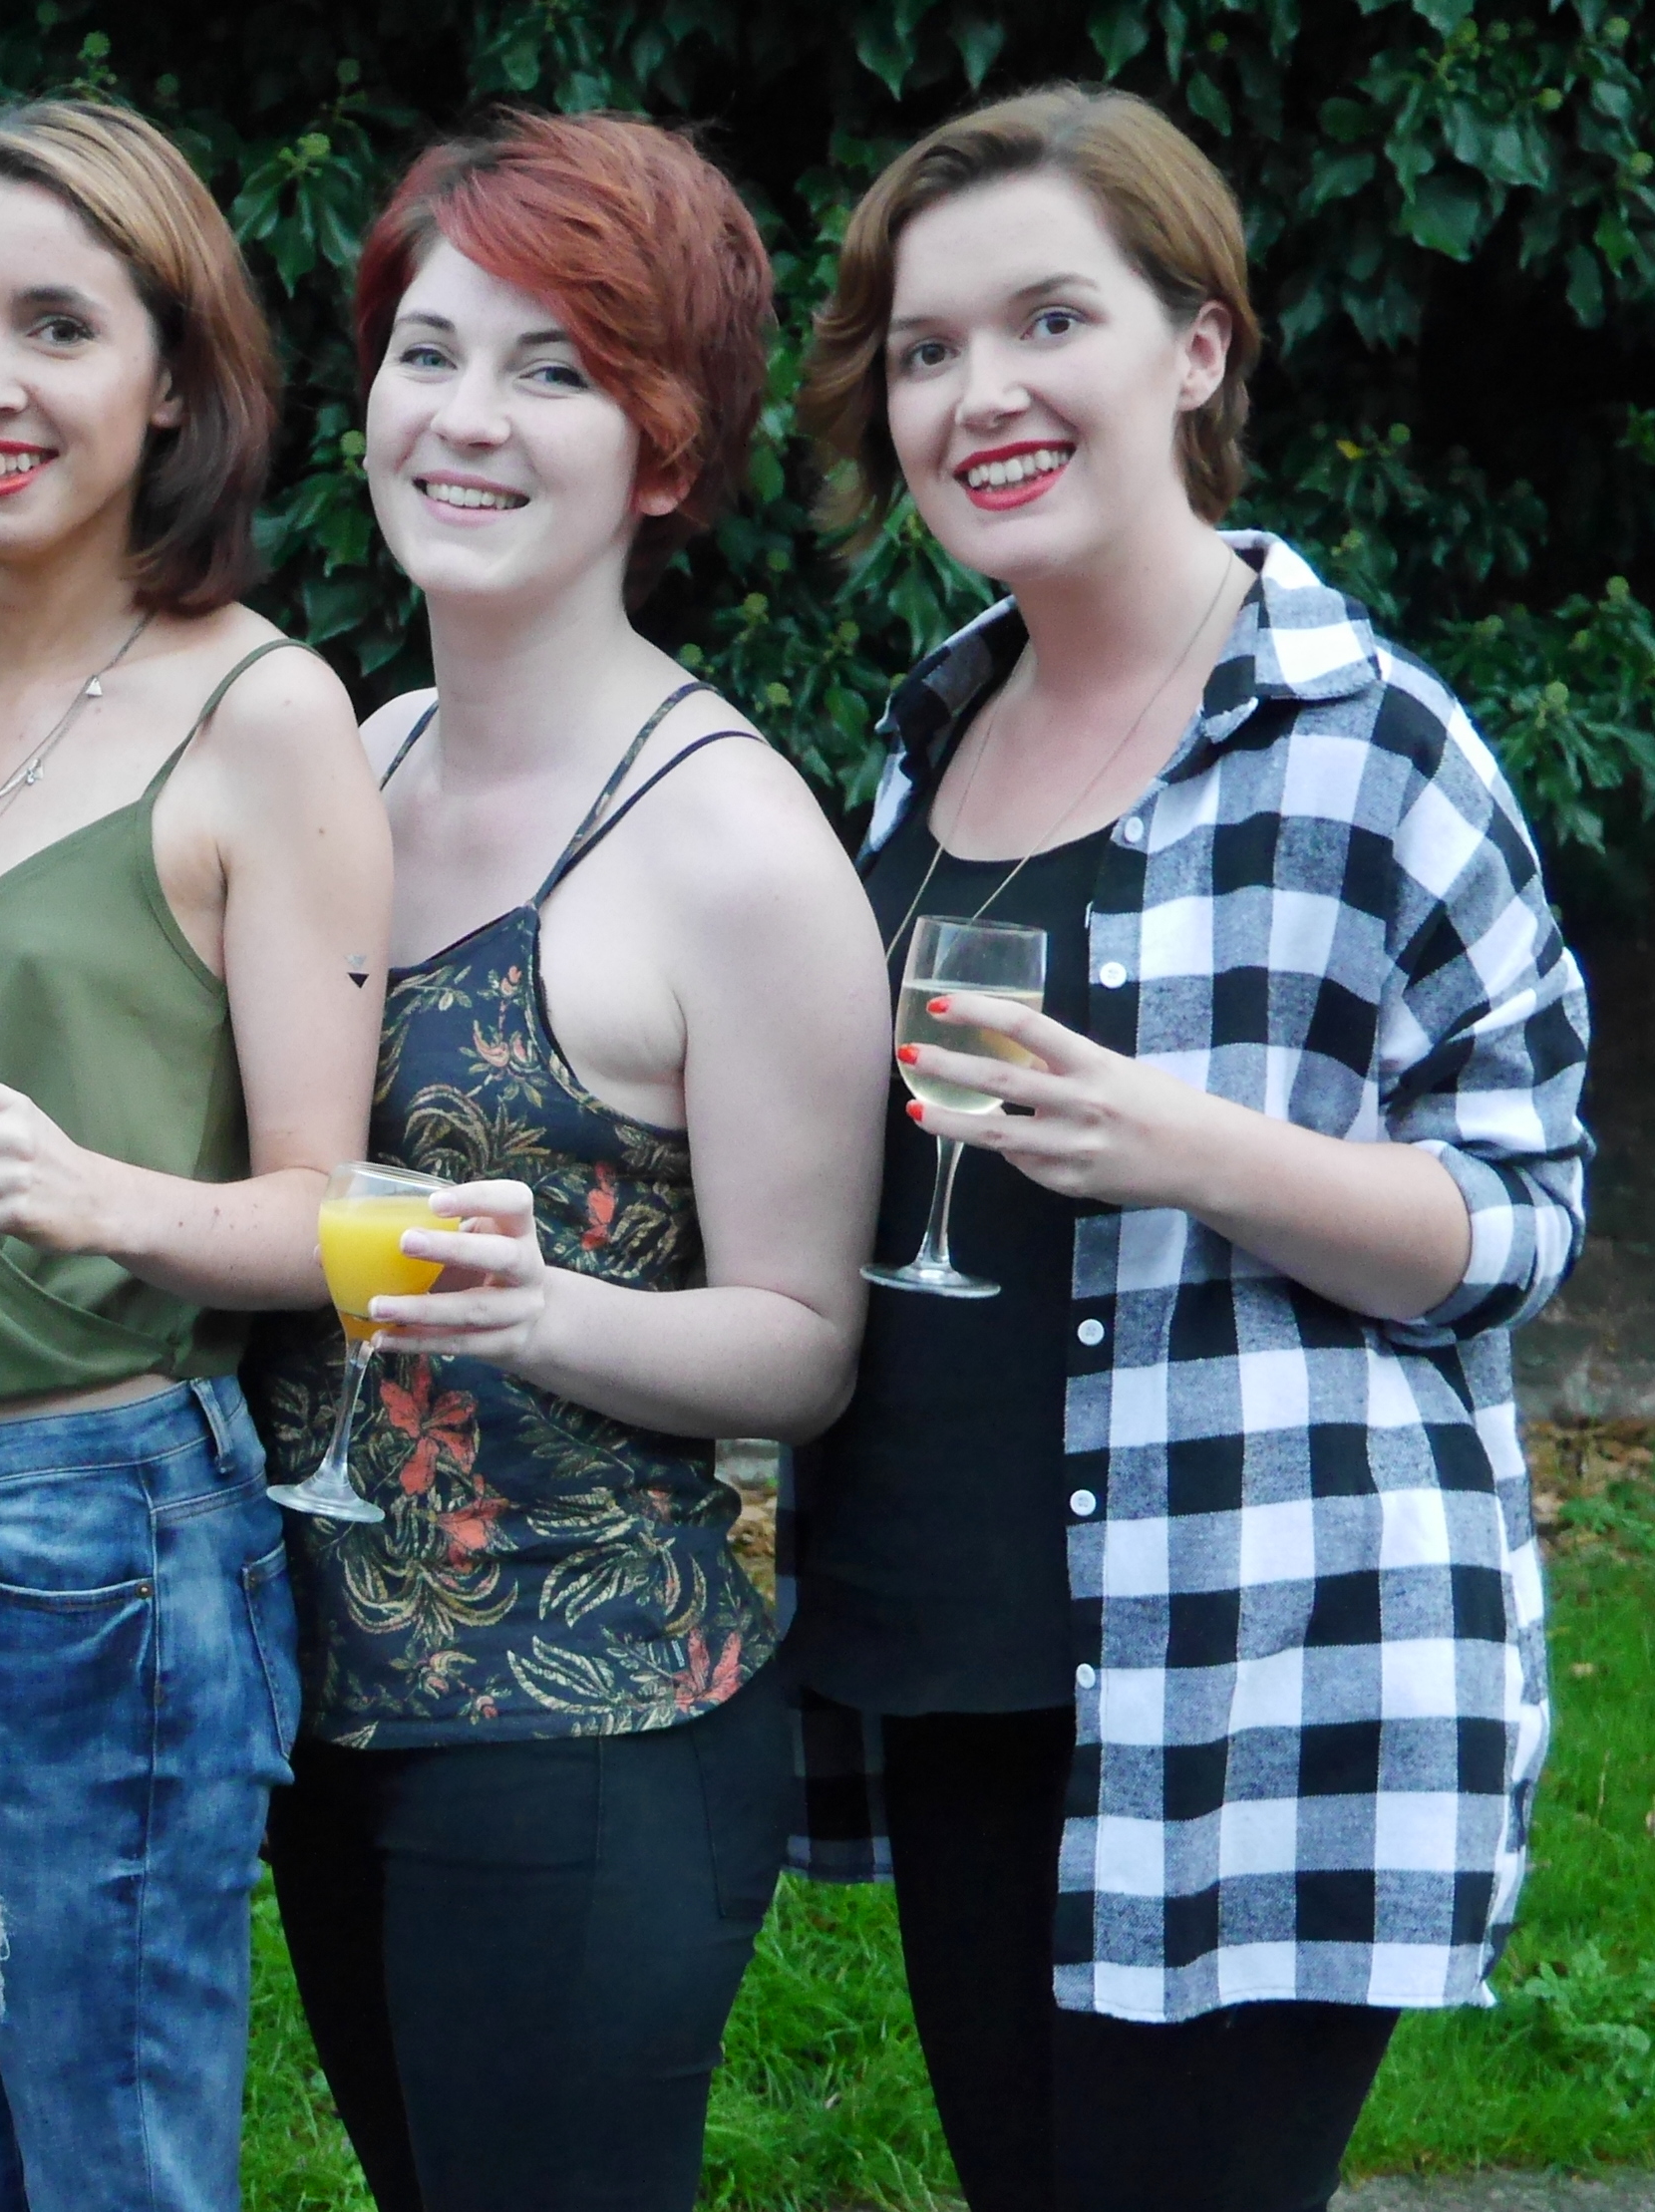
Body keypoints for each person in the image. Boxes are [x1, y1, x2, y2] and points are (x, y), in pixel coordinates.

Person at [782, 85, 1591, 2212]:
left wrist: (1190, 1146)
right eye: (927, 348)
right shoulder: (926, 737)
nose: (979, 392)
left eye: (1049, 320)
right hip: (961, 1644)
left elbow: (1518, 1217)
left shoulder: (1373, 747)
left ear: (1197, 347)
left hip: (1250, 1665)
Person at [242, 114, 889, 2212]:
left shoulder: (734, 850)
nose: (466, 418)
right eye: (428, 354)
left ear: (666, 452)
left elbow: (802, 1347)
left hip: (588, 1732)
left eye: (555, 373)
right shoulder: (359, 756)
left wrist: (546, 1315)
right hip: (325, 1709)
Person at [0, 99, 389, 2212]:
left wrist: (87, 1196)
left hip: (100, 1534)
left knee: (112, 2167)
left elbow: (337, 1216)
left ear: (176, 379)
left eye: (56, 327)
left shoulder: (265, 717)